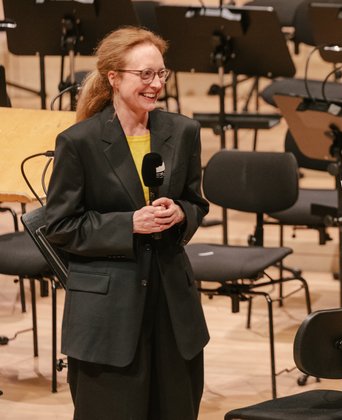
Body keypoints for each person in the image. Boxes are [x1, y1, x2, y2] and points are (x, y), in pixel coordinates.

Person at [45, 27, 209, 420]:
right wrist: (129, 224)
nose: (156, 85)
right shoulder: (79, 141)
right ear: (114, 78)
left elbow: (195, 202)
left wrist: (181, 214)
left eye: (161, 74)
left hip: (172, 306)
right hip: (107, 313)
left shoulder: (183, 132)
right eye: (145, 75)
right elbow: (60, 226)